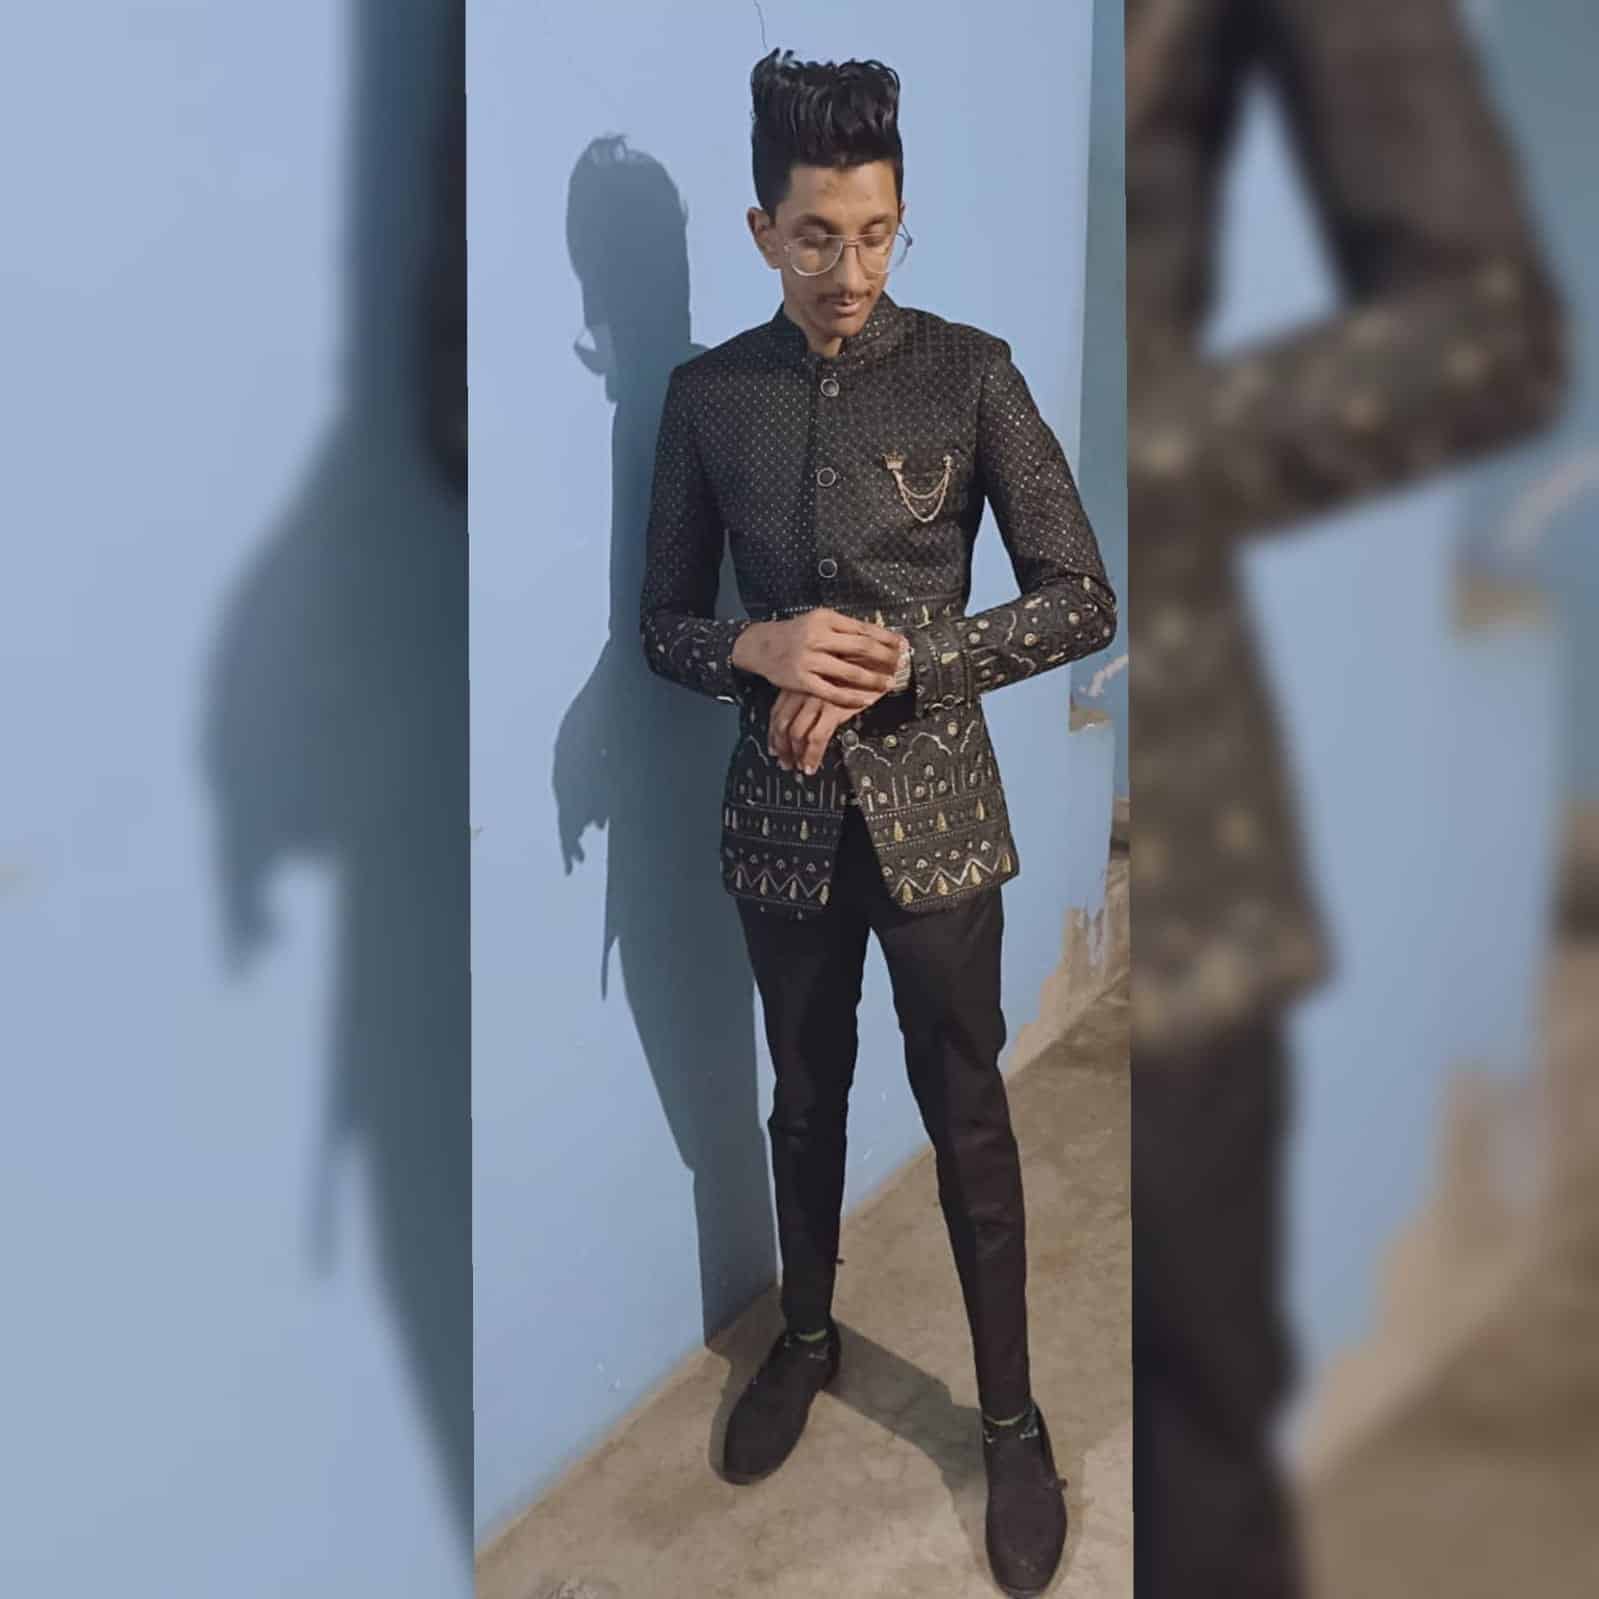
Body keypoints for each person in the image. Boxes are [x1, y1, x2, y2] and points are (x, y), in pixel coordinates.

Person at [639, 48, 1117, 1598]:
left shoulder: (970, 372)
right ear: (762, 229)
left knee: (969, 1113)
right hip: (778, 819)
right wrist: (757, 646)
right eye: (816, 237)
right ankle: (805, 1335)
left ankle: (1012, 1424)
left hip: (938, 822)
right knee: (802, 1094)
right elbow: (661, 625)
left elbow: (1082, 597)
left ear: (901, 220)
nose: (849, 272)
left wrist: (917, 660)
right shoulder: (709, 398)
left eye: (876, 234)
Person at [1126, 0, 1568, 1593]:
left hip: (1164, 867)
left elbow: (1490, 325)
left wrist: (1102, 454)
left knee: (1189, 1481)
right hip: (843, 819)